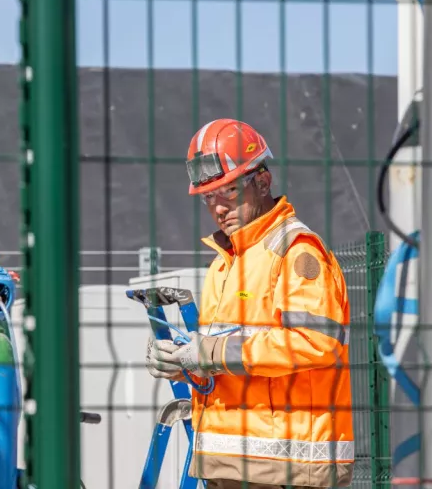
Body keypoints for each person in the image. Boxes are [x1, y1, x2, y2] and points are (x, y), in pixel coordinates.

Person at [146, 118, 354, 489]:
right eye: (209, 197)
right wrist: (185, 365)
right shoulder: (223, 265)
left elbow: (315, 343)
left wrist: (207, 353)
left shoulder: (295, 252)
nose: (217, 208)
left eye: (227, 192)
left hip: (285, 468)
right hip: (229, 467)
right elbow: (227, 365)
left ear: (262, 181)